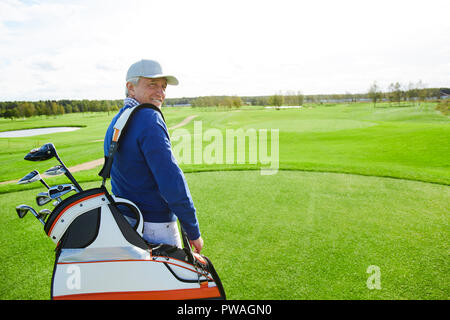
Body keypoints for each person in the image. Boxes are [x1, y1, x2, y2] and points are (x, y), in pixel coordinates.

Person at [104, 59, 203, 253]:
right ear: (130, 88)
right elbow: (171, 180)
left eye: (163, 87)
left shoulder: (118, 120)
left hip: (126, 222)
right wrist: (193, 230)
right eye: (152, 85)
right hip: (156, 226)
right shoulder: (149, 117)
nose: (161, 93)